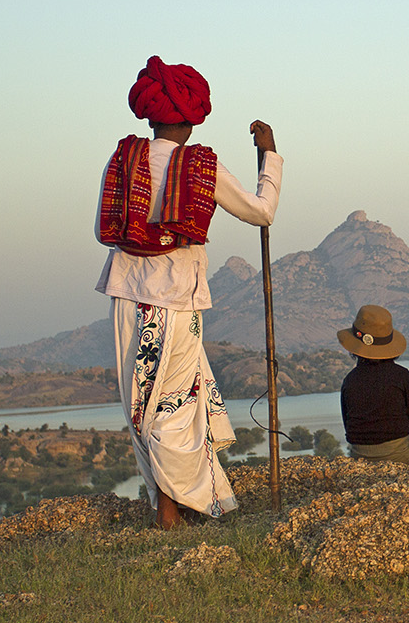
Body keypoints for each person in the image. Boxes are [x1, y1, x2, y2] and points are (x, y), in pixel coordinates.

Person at [97, 55, 283, 528]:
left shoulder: (123, 161)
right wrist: (271, 156)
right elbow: (261, 212)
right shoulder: (202, 166)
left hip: (126, 295)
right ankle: (169, 511)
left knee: (143, 406)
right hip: (177, 300)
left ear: (150, 114)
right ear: (193, 117)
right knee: (174, 404)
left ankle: (173, 502)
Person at [337, 305, 409, 467]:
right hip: (398, 453)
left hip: (359, 455)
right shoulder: (401, 375)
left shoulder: (349, 380)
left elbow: (348, 426)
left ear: (355, 348)